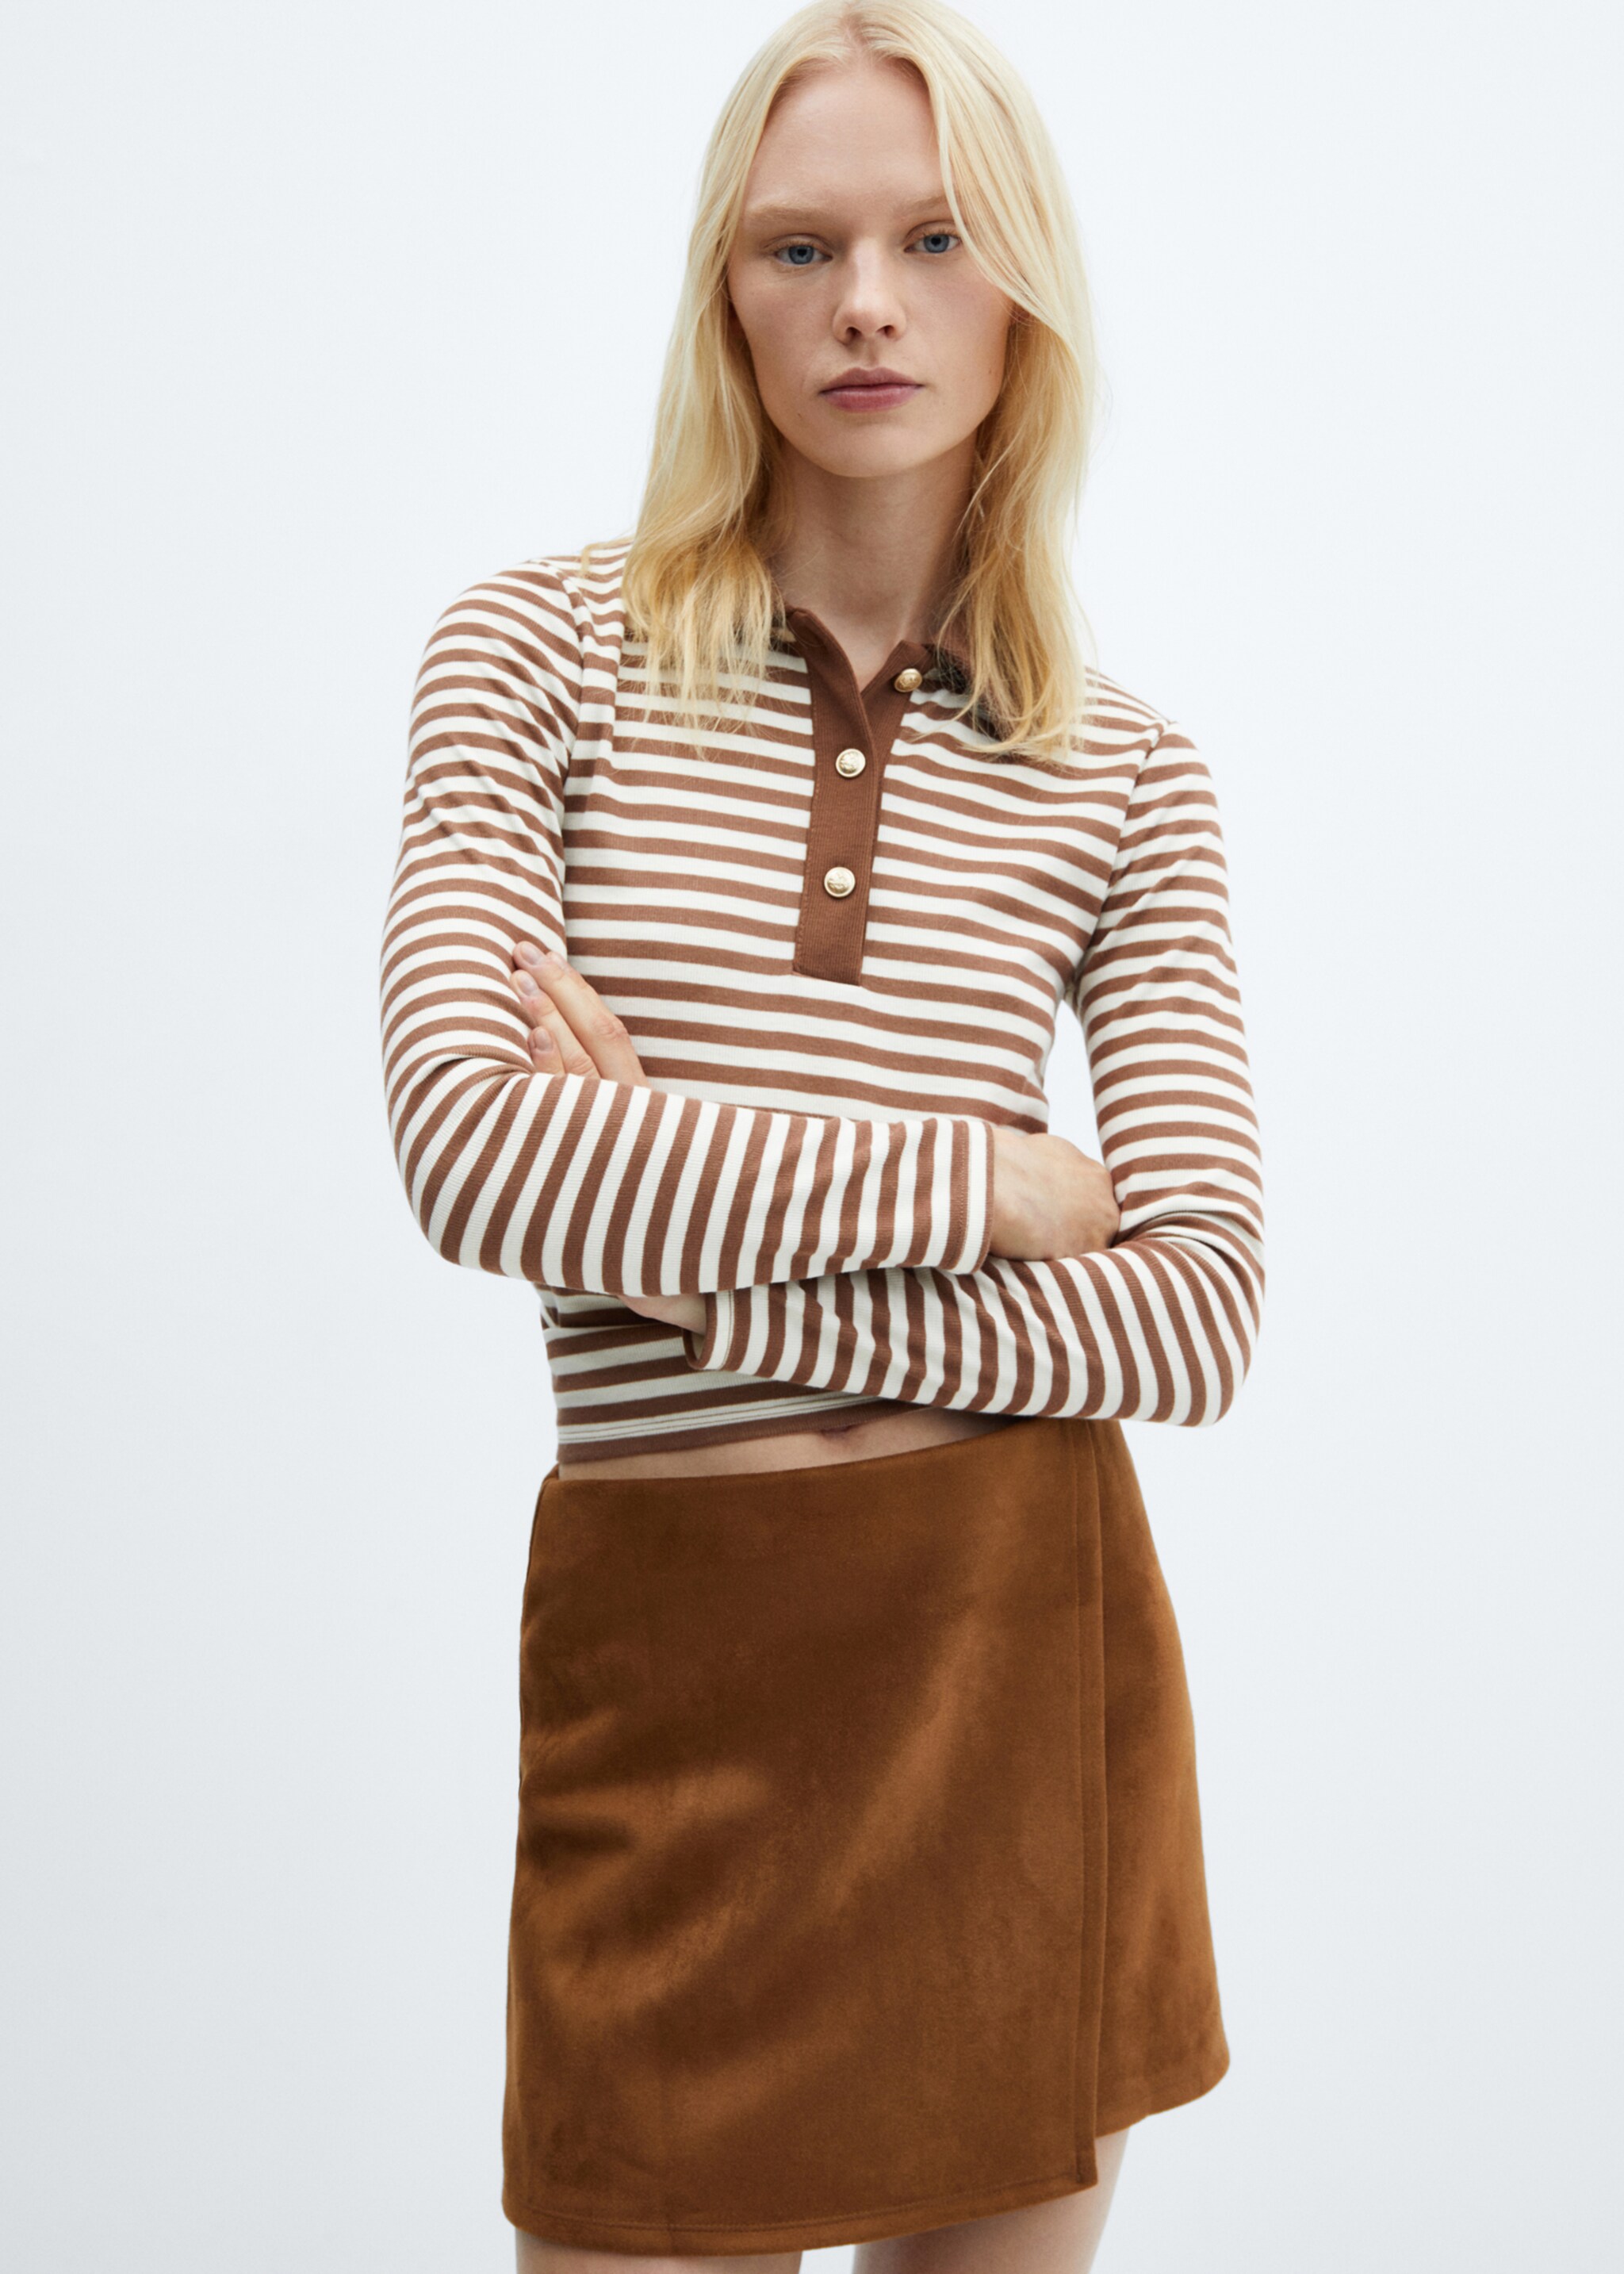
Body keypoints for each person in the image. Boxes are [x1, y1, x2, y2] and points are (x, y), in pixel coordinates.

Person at [377, 4, 1265, 2268]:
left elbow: (1192, 1317)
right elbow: (470, 1149)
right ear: (728, 291)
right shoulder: (533, 658)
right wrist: (994, 1181)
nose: (868, 301)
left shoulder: (1128, 775)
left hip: (1015, 1657)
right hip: (669, 1669)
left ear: (1025, 289)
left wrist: (673, 1230)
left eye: (936, 239)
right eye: (801, 246)